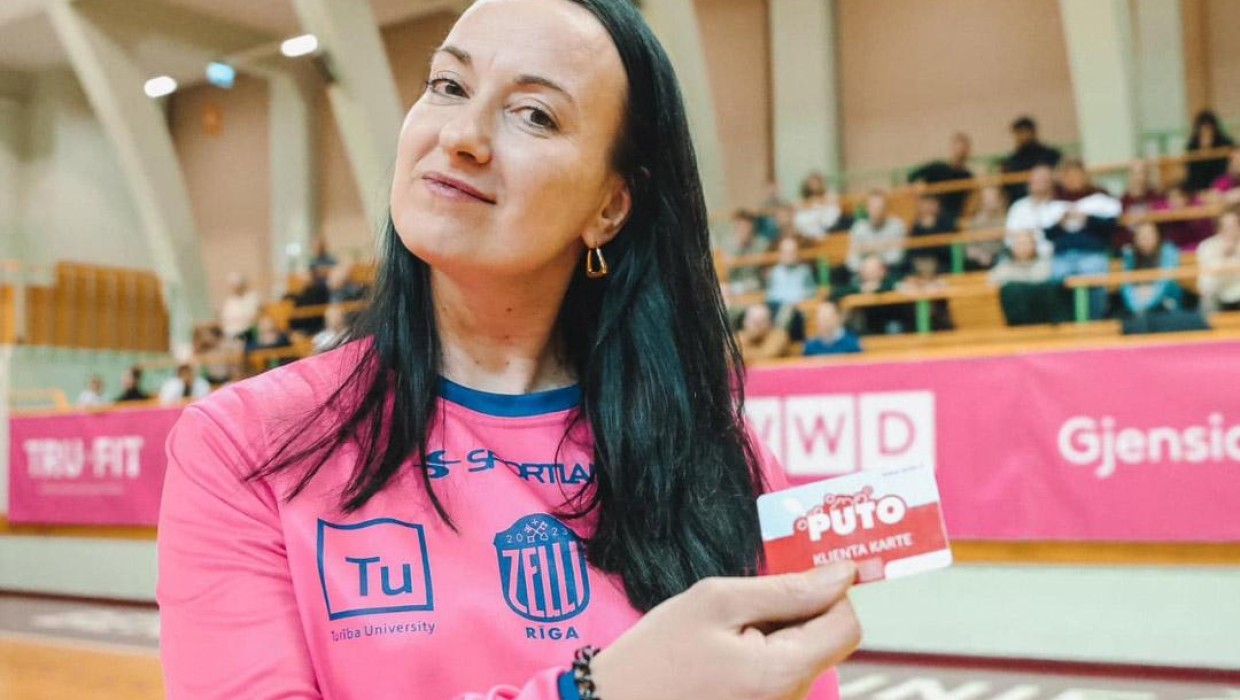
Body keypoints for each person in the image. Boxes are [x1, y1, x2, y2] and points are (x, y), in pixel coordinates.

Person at [157, 3, 860, 700]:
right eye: (448, 86)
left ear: (610, 207)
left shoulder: (721, 459)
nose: (462, 134)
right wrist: (597, 692)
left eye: (535, 114)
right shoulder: (246, 446)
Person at [988, 230, 1064, 326]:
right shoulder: (1003, 268)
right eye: (1019, 244)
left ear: (1034, 245)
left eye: (1026, 243)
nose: (1023, 247)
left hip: (1046, 319)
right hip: (1015, 323)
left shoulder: (1047, 264)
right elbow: (992, 283)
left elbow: (1043, 279)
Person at [906, 132, 974, 222]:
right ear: (952, 148)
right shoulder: (937, 167)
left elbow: (968, 203)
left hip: (953, 219)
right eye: (958, 149)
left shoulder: (967, 176)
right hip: (930, 216)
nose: (960, 152)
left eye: (963, 150)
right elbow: (911, 178)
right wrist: (919, 200)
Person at [1120, 222, 1182, 317]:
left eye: (1149, 235)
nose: (1145, 239)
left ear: (1157, 235)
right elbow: (1126, 287)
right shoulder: (1130, 255)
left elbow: (1165, 284)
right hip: (1136, 310)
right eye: (1141, 236)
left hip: (1165, 307)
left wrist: (1146, 301)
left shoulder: (1168, 252)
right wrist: (1137, 305)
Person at [1005, 165, 1067, 254]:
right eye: (1035, 180)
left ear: (1052, 183)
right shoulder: (1018, 206)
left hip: (1055, 256)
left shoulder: (1061, 206)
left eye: (1043, 180)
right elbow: (1009, 238)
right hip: (1022, 257)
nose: (1039, 183)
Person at [1000, 116, 1062, 202]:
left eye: (1025, 132)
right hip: (1021, 203)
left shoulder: (1050, 155)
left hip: (1050, 201)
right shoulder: (1010, 162)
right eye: (1019, 133)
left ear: (1033, 132)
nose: (1023, 136)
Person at [847, 189, 906, 273]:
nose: (877, 211)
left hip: (889, 272)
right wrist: (866, 267)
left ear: (886, 208)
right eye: (873, 206)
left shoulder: (897, 226)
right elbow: (851, 260)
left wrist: (876, 264)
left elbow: (897, 256)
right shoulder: (858, 228)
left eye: (880, 207)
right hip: (863, 274)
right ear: (867, 208)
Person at [1197, 209, 1240, 313]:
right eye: (1226, 227)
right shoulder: (1207, 246)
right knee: (1207, 302)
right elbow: (1205, 286)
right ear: (1219, 228)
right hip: (1218, 294)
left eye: (1235, 225)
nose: (1231, 230)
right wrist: (1222, 258)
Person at [1185, 109, 1235, 193]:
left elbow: (1227, 167)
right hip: (1199, 185)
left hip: (1221, 184)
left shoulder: (1224, 143)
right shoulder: (1192, 146)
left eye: (1209, 128)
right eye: (1203, 129)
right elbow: (1192, 172)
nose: (1206, 132)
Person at [723, 209, 768, 294]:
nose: (743, 230)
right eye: (739, 226)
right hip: (734, 286)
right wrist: (738, 246)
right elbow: (726, 272)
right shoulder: (727, 245)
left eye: (746, 226)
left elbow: (762, 272)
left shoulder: (762, 244)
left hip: (755, 285)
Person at [766, 236, 817, 309]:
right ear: (780, 254)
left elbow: (811, 295)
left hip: (798, 309)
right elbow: (770, 296)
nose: (789, 256)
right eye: (785, 252)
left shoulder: (804, 271)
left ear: (797, 253)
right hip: (778, 308)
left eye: (792, 252)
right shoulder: (774, 272)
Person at [965, 186, 1007, 269]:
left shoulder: (1007, 220)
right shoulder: (975, 222)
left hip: (1000, 256)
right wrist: (980, 254)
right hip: (979, 259)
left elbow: (1008, 244)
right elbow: (969, 248)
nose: (989, 201)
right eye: (986, 198)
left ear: (999, 200)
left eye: (992, 198)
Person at [908, 194, 954, 271]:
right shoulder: (916, 225)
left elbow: (947, 249)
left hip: (942, 262)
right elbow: (912, 251)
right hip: (919, 264)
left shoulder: (947, 222)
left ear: (937, 205)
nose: (927, 208)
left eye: (931, 204)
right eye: (924, 204)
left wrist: (931, 229)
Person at [793, 172, 842, 241]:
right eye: (811, 183)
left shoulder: (829, 195)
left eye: (816, 183)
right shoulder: (804, 199)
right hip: (808, 223)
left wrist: (819, 205)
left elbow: (832, 211)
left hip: (824, 223)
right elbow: (797, 206)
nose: (814, 185)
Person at [218, 272, 261, 341]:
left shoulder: (252, 298)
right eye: (233, 285)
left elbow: (253, 317)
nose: (235, 287)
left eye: (237, 284)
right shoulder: (230, 301)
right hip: (230, 333)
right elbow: (224, 319)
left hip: (246, 331)